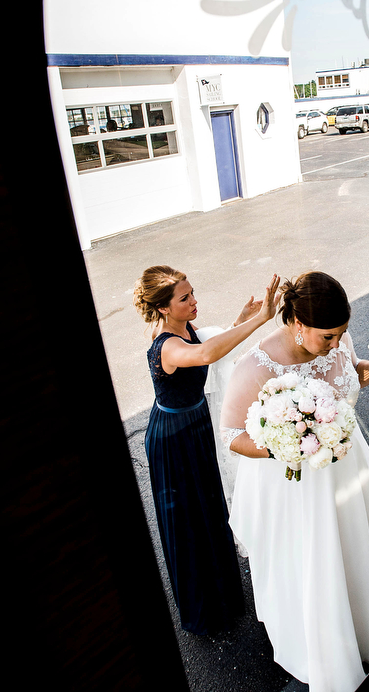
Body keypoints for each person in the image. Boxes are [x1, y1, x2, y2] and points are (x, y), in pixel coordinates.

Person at [219, 272, 369, 692]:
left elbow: (348, 373)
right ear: (298, 325)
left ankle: (368, 621)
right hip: (299, 486)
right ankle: (327, 644)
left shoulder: (333, 343)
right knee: (319, 560)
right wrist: (285, 445)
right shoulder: (255, 366)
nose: (338, 344)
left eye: (342, 334)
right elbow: (232, 435)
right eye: (329, 337)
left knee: (359, 548)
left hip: (350, 464)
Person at [134, 266, 281, 635]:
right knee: (188, 521)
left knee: (210, 511)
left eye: (192, 292)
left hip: (195, 427)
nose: (194, 301)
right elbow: (202, 355)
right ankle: (203, 610)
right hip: (173, 439)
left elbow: (205, 351)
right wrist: (261, 320)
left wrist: (239, 320)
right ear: (165, 308)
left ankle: (223, 596)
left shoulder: (185, 330)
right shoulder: (165, 343)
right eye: (184, 298)